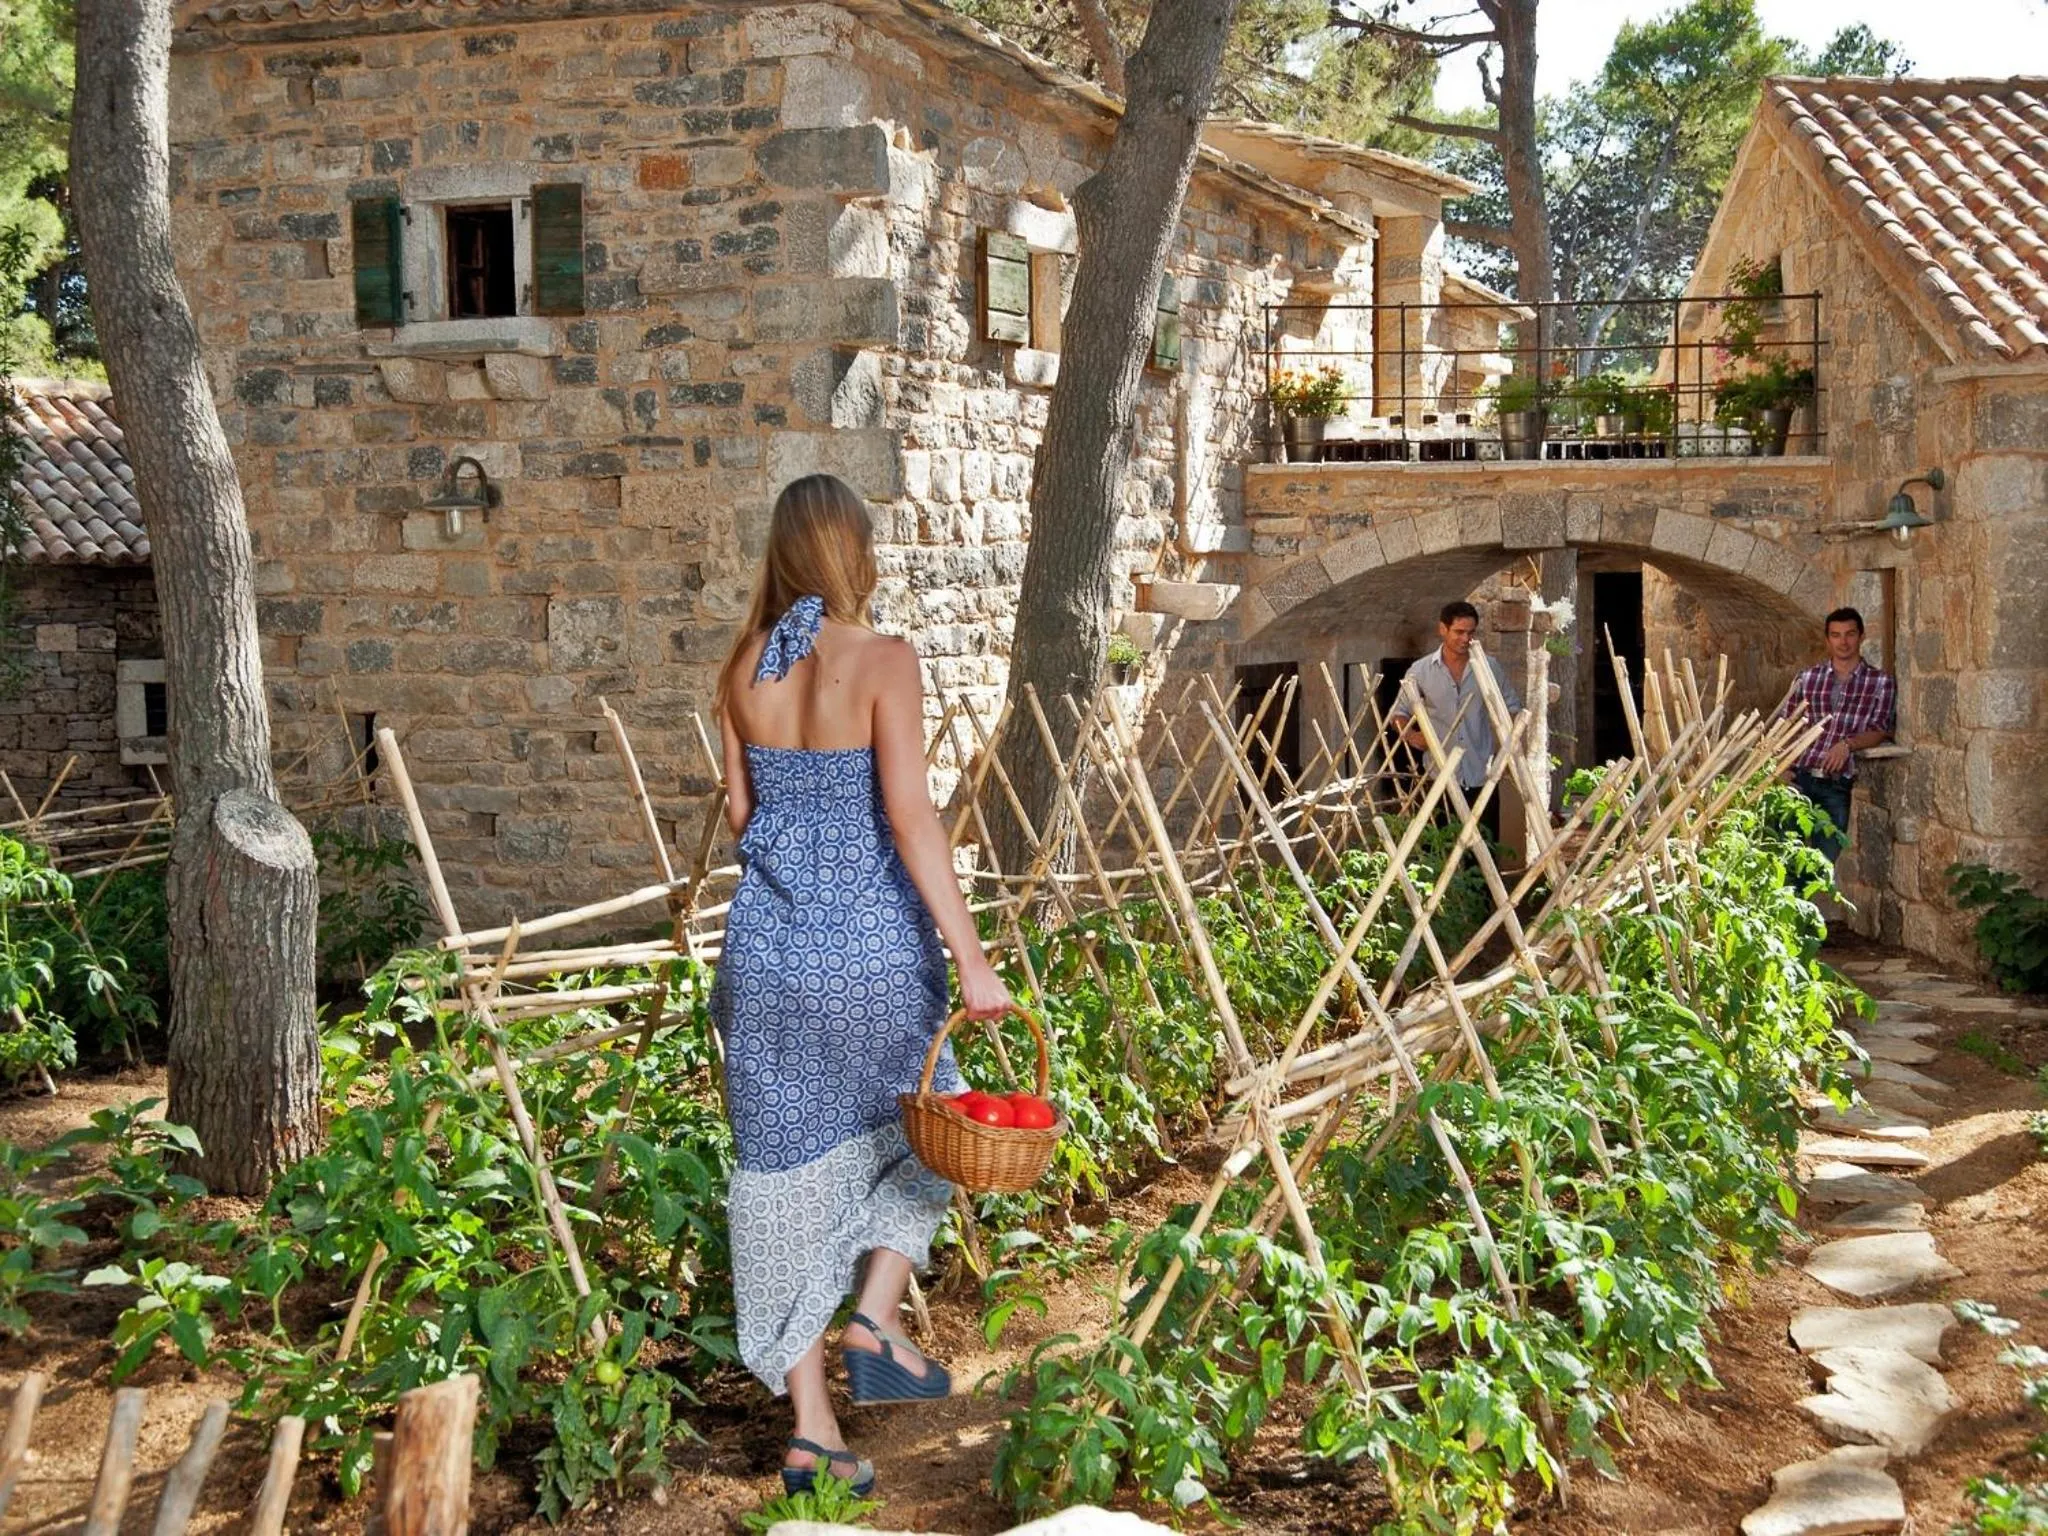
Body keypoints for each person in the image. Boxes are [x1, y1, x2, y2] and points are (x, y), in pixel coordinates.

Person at [712, 474, 1011, 1498]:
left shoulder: (739, 668)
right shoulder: (883, 660)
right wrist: (969, 957)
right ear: (852, 553)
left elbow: (745, 819)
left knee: (778, 1184)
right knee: (932, 1129)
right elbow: (908, 818)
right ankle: (873, 1318)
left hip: (763, 961)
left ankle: (811, 1435)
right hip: (872, 953)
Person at [1388, 601, 1524, 845]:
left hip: (1480, 775)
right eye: (1459, 632)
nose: (1465, 639)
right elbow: (1398, 714)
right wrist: (1411, 735)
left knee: (1483, 854)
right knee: (1438, 851)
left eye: (1471, 633)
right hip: (1438, 776)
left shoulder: (1488, 667)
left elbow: (1512, 708)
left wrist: (1506, 750)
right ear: (1443, 629)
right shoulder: (1421, 671)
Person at [1775, 606, 1896, 860]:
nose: (1844, 642)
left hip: (1835, 786)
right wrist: (1781, 767)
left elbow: (1880, 729)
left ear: (1861, 637)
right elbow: (1786, 725)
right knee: (1785, 861)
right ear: (1827, 639)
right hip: (1798, 779)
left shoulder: (1879, 682)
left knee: (1822, 863)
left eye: (1850, 634)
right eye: (1836, 635)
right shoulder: (1807, 678)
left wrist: (1847, 745)